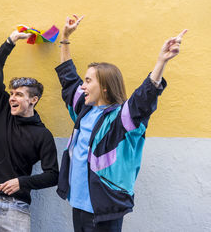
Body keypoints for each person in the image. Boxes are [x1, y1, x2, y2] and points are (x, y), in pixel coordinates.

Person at [55, 14, 187, 232]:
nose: (83, 86)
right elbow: (69, 79)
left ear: (105, 87)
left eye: (88, 81)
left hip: (105, 209)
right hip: (77, 205)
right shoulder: (84, 109)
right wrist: (65, 39)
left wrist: (161, 62)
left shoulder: (121, 119)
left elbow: (142, 100)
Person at [0, 31, 59, 232]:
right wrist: (10, 41)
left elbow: (53, 175)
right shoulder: (3, 111)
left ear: (33, 100)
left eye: (19, 95)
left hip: (17, 207)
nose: (12, 98)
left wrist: (22, 182)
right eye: (12, 93)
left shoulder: (43, 135)